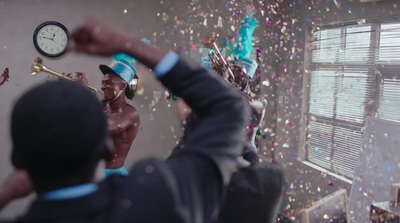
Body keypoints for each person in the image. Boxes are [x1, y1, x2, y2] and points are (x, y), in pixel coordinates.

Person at [0, 16, 249, 223]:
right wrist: (125, 42)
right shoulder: (153, 200)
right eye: (104, 78)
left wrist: (6, 193)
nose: (106, 81)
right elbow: (229, 108)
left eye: (112, 78)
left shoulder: (128, 113)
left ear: (18, 161)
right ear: (106, 149)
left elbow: (95, 127)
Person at [69, 58, 140, 178]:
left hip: (113, 177)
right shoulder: (102, 107)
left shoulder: (130, 113)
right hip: (92, 173)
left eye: (108, 83)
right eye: (103, 82)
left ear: (122, 85)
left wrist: (84, 94)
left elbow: (98, 128)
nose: (103, 87)